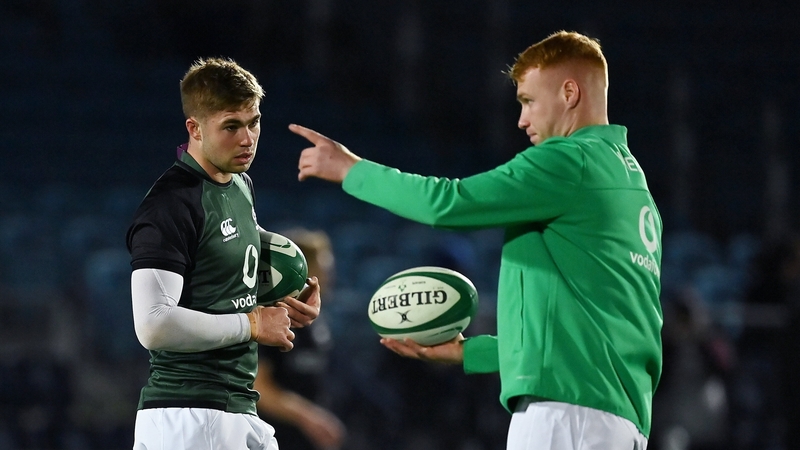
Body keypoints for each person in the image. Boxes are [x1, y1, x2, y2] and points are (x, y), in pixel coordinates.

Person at [290, 31, 663, 450]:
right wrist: (472, 354)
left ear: (570, 93)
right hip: (616, 421)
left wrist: (351, 169)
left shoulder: (570, 161)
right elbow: (588, 340)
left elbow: (449, 204)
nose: (522, 119)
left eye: (528, 101)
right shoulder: (635, 189)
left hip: (567, 417)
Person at [126, 57, 321, 450]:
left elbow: (224, 275)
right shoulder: (171, 204)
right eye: (231, 126)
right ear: (194, 128)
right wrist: (252, 325)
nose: (247, 138)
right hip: (189, 413)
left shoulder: (240, 185)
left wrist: (287, 297)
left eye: (254, 122)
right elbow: (153, 324)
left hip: (234, 406)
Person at [254, 227, 346, 450]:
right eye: (321, 267)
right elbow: (259, 387)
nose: (328, 275)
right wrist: (308, 417)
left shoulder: (317, 323)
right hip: (270, 438)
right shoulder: (271, 318)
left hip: (307, 439)